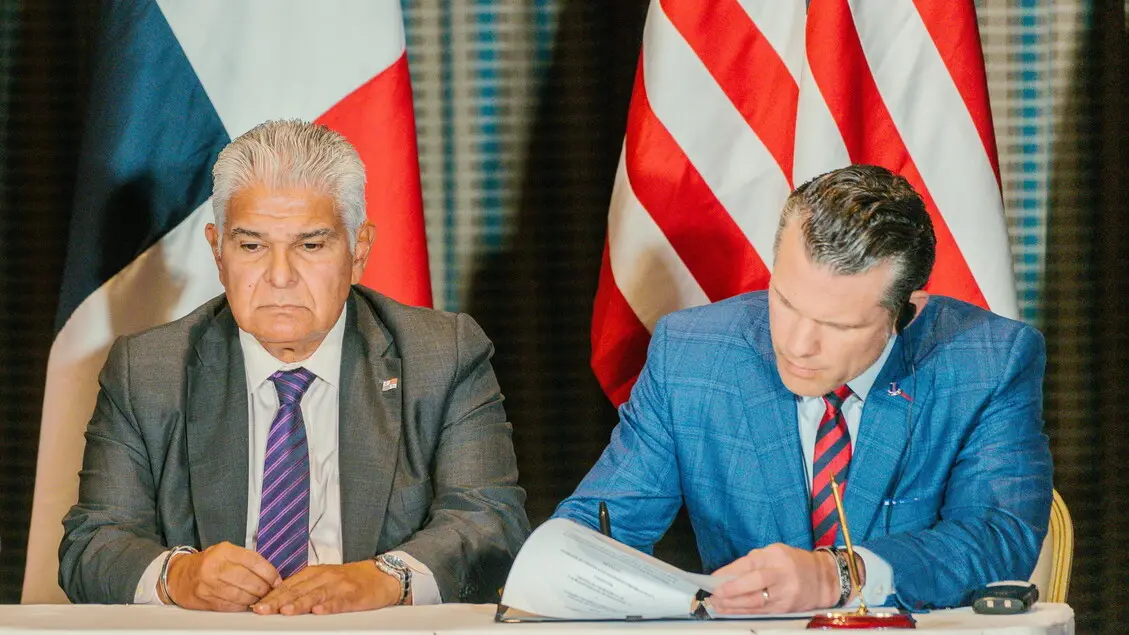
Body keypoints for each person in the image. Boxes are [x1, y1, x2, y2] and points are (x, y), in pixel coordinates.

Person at [59, 120, 530, 614]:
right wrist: (176, 575)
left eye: (310, 245)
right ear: (218, 252)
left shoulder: (440, 357)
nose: (279, 276)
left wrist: (384, 580)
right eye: (252, 246)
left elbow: (492, 521)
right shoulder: (148, 371)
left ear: (359, 251)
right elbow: (93, 543)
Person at [554, 164, 1052, 612]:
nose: (797, 345)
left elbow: (997, 537)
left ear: (908, 311)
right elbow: (600, 525)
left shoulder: (988, 362)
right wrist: (562, 563)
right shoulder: (691, 354)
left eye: (838, 326)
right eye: (786, 302)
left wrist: (839, 574)